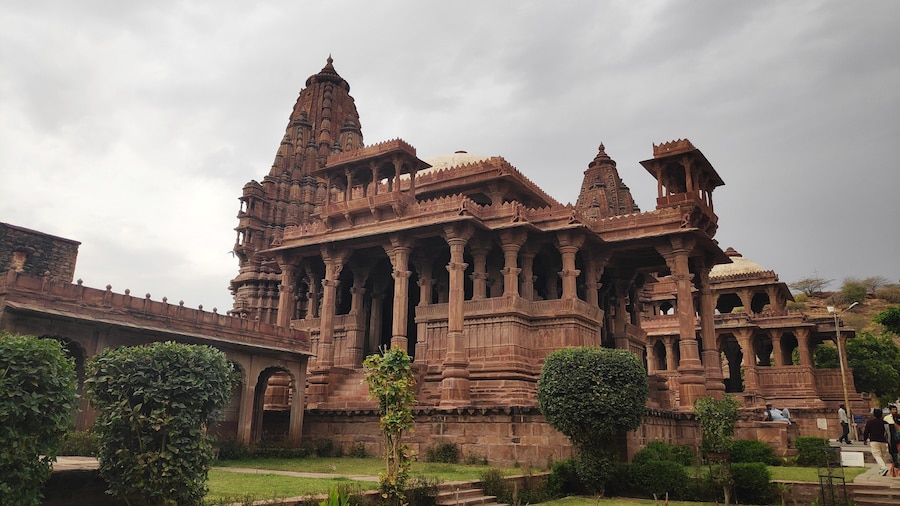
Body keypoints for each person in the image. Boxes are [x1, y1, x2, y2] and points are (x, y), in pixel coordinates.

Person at [863, 408, 892, 476]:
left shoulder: (870, 422)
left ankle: (883, 467)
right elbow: (888, 432)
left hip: (874, 440)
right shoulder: (885, 422)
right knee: (883, 455)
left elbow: (866, 431)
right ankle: (882, 470)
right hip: (883, 441)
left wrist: (865, 439)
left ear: (874, 414)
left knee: (877, 455)